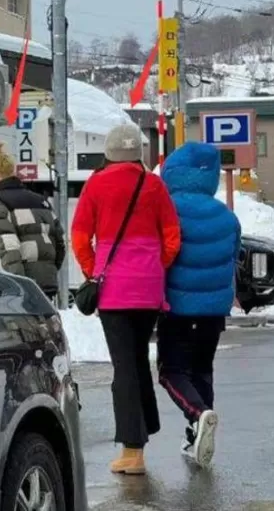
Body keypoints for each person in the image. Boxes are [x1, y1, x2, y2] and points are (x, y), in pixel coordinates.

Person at [71, 123, 181, 475]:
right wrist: (152, 265)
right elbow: (172, 237)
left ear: (109, 153)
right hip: (149, 289)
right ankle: (144, 429)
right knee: (136, 360)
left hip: (115, 290)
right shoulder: (154, 184)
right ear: (138, 154)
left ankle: (132, 451)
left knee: (124, 367)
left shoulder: (96, 184)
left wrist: (94, 270)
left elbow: (79, 237)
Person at [158, 141, 241, 468]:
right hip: (213, 312)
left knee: (171, 372)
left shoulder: (168, 210)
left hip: (177, 307)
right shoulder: (227, 216)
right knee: (202, 370)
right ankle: (197, 434)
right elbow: (234, 257)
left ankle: (197, 414)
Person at [0, 142, 66, 300]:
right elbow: (60, 244)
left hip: (20, 289)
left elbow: (7, 248)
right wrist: (49, 271)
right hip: (47, 283)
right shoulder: (42, 201)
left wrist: (17, 286)